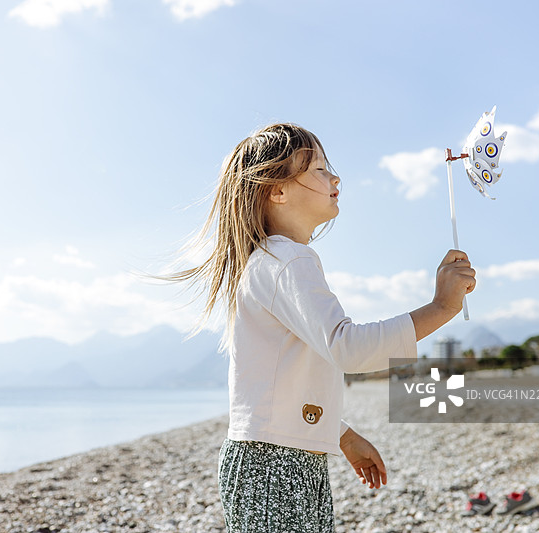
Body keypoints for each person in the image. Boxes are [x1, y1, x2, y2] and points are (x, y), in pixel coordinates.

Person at [156, 123, 476, 532]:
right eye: (320, 169)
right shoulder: (287, 260)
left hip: (277, 458)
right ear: (277, 189)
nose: (335, 177)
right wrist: (443, 306)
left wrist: (340, 434)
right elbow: (348, 348)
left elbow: (283, 380)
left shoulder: (274, 260)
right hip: (274, 466)